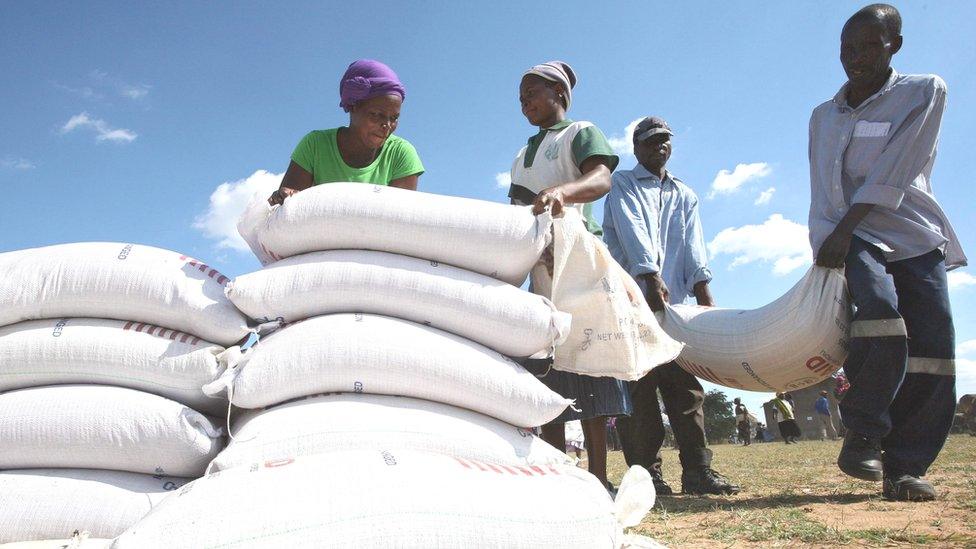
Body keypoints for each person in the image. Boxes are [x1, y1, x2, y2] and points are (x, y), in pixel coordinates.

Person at [809, 4, 964, 501]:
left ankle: (905, 467)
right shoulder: (823, 116)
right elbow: (824, 187)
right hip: (850, 235)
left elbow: (896, 170)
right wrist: (829, 239)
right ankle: (864, 430)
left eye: (869, 45)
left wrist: (845, 226)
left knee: (932, 351)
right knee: (878, 312)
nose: (856, 57)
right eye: (847, 48)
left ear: (894, 44)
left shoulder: (924, 92)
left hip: (912, 234)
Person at [507, 60, 628, 493]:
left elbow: (600, 178)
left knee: (590, 363)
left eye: (532, 93)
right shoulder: (524, 153)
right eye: (521, 98)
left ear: (559, 92)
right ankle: (559, 475)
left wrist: (563, 192)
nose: (525, 103)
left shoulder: (580, 133)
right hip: (544, 264)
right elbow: (518, 209)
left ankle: (599, 477)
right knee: (551, 364)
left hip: (580, 261)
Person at [603, 116, 739, 496]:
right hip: (635, 300)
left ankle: (697, 470)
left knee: (686, 389)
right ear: (637, 148)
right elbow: (632, 231)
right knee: (641, 391)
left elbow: (695, 244)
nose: (659, 147)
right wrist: (648, 275)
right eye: (650, 142)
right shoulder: (623, 184)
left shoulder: (684, 193)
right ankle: (647, 475)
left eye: (664, 141)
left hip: (676, 307)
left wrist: (704, 290)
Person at [268, 59, 424, 205]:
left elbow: (398, 221)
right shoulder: (314, 146)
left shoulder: (401, 154)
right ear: (353, 106)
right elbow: (289, 208)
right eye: (377, 115)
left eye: (394, 118)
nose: (387, 125)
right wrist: (283, 197)